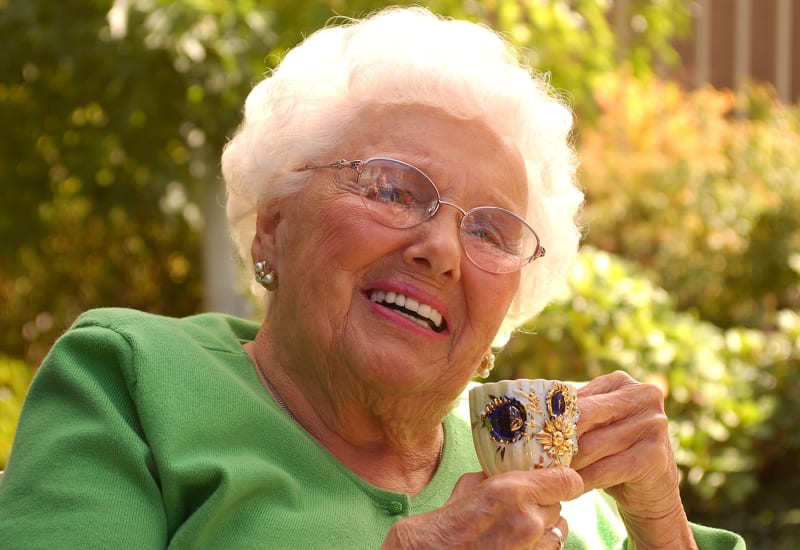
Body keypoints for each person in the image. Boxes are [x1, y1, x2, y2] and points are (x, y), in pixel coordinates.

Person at [0, 7, 744, 549]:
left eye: (490, 229)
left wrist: (659, 524)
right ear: (274, 225)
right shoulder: (133, 381)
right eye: (393, 189)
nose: (443, 250)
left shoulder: (550, 478)